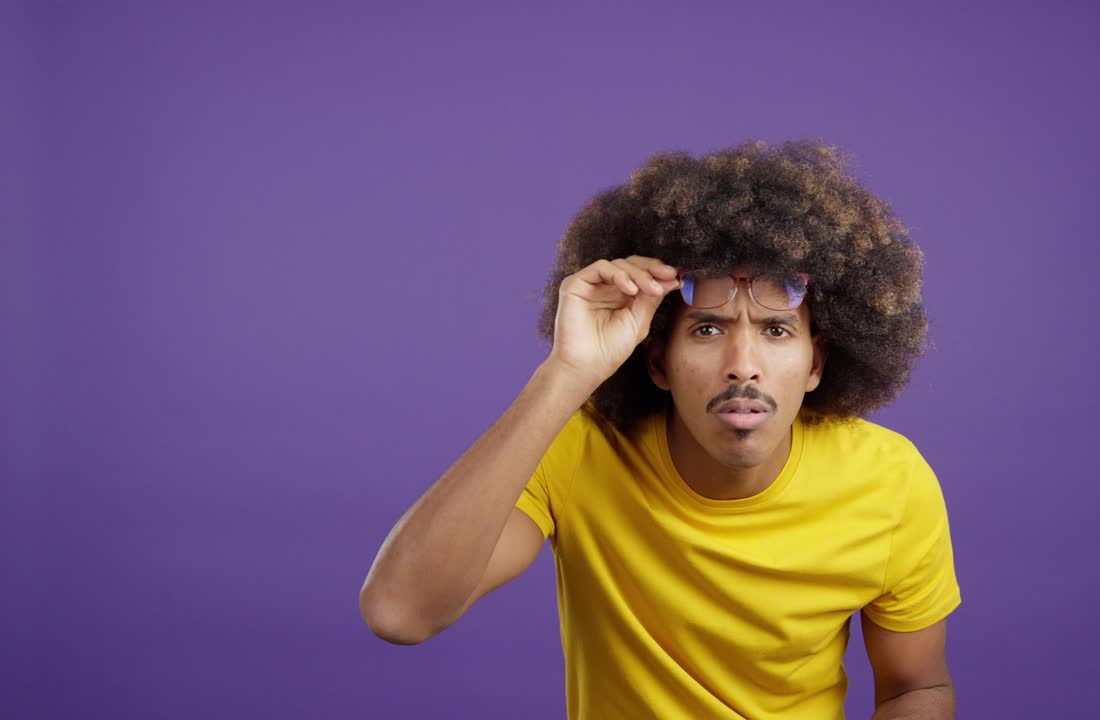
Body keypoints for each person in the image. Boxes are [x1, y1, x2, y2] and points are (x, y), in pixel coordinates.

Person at [359, 140, 962, 719]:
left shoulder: (891, 483)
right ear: (657, 362)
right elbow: (400, 612)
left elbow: (915, 688)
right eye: (707, 329)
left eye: (776, 331)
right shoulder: (581, 449)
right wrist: (567, 373)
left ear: (817, 364)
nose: (742, 363)